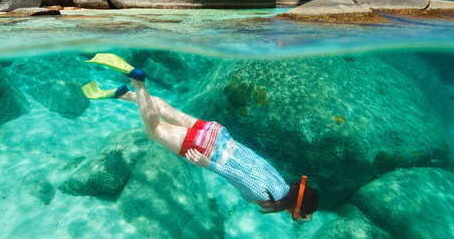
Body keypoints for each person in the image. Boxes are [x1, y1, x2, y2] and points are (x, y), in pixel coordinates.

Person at [84, 55, 318, 221]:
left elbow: (256, 158)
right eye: (302, 215)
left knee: (170, 113)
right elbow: (236, 175)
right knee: (154, 130)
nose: (300, 218)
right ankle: (138, 81)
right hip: (207, 150)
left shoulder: (281, 182)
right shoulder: (267, 198)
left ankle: (127, 95)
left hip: (220, 134)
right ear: (297, 208)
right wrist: (208, 164)